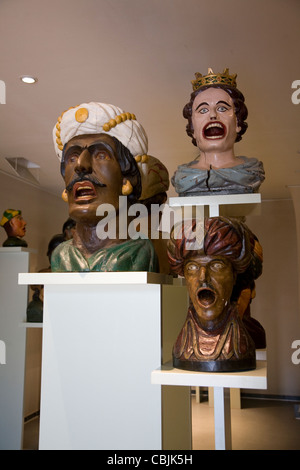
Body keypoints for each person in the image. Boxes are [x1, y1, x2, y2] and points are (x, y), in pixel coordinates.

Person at [51, 102, 159, 272]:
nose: (81, 165)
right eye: (72, 158)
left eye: (101, 155)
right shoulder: (60, 255)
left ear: (126, 181)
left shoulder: (140, 253)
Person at [167, 216, 257, 372]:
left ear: (234, 275)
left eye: (216, 265)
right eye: (192, 268)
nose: (203, 277)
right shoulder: (182, 346)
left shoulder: (241, 346)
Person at [171, 68, 265, 196]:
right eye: (203, 110)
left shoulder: (251, 173)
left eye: (222, 108)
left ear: (237, 122)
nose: (213, 115)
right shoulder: (184, 178)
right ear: (193, 127)